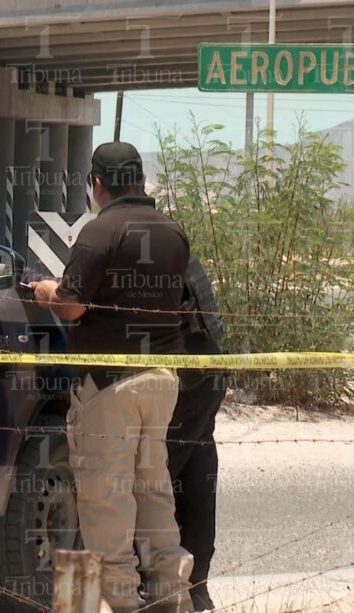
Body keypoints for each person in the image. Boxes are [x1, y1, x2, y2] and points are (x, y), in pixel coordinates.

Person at [30, 142, 193, 613]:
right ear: (140, 180)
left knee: (106, 497)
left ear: (97, 184)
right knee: (154, 491)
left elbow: (73, 304)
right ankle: (170, 594)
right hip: (162, 379)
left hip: (109, 383)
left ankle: (123, 603)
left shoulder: (100, 231)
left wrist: (44, 291)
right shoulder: (173, 231)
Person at [168, 257, 227, 611]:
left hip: (186, 375)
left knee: (158, 477)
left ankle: (169, 586)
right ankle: (196, 588)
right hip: (208, 369)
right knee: (196, 465)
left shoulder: (138, 253)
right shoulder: (174, 247)